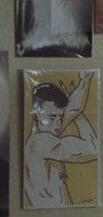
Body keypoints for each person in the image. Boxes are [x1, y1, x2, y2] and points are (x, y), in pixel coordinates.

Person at [23, 79, 97, 207]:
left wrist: (85, 79)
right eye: (52, 118)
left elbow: (74, 107)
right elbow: (94, 149)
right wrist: (79, 116)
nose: (58, 124)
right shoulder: (40, 143)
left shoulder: (45, 134)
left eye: (61, 117)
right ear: (35, 115)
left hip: (62, 216)